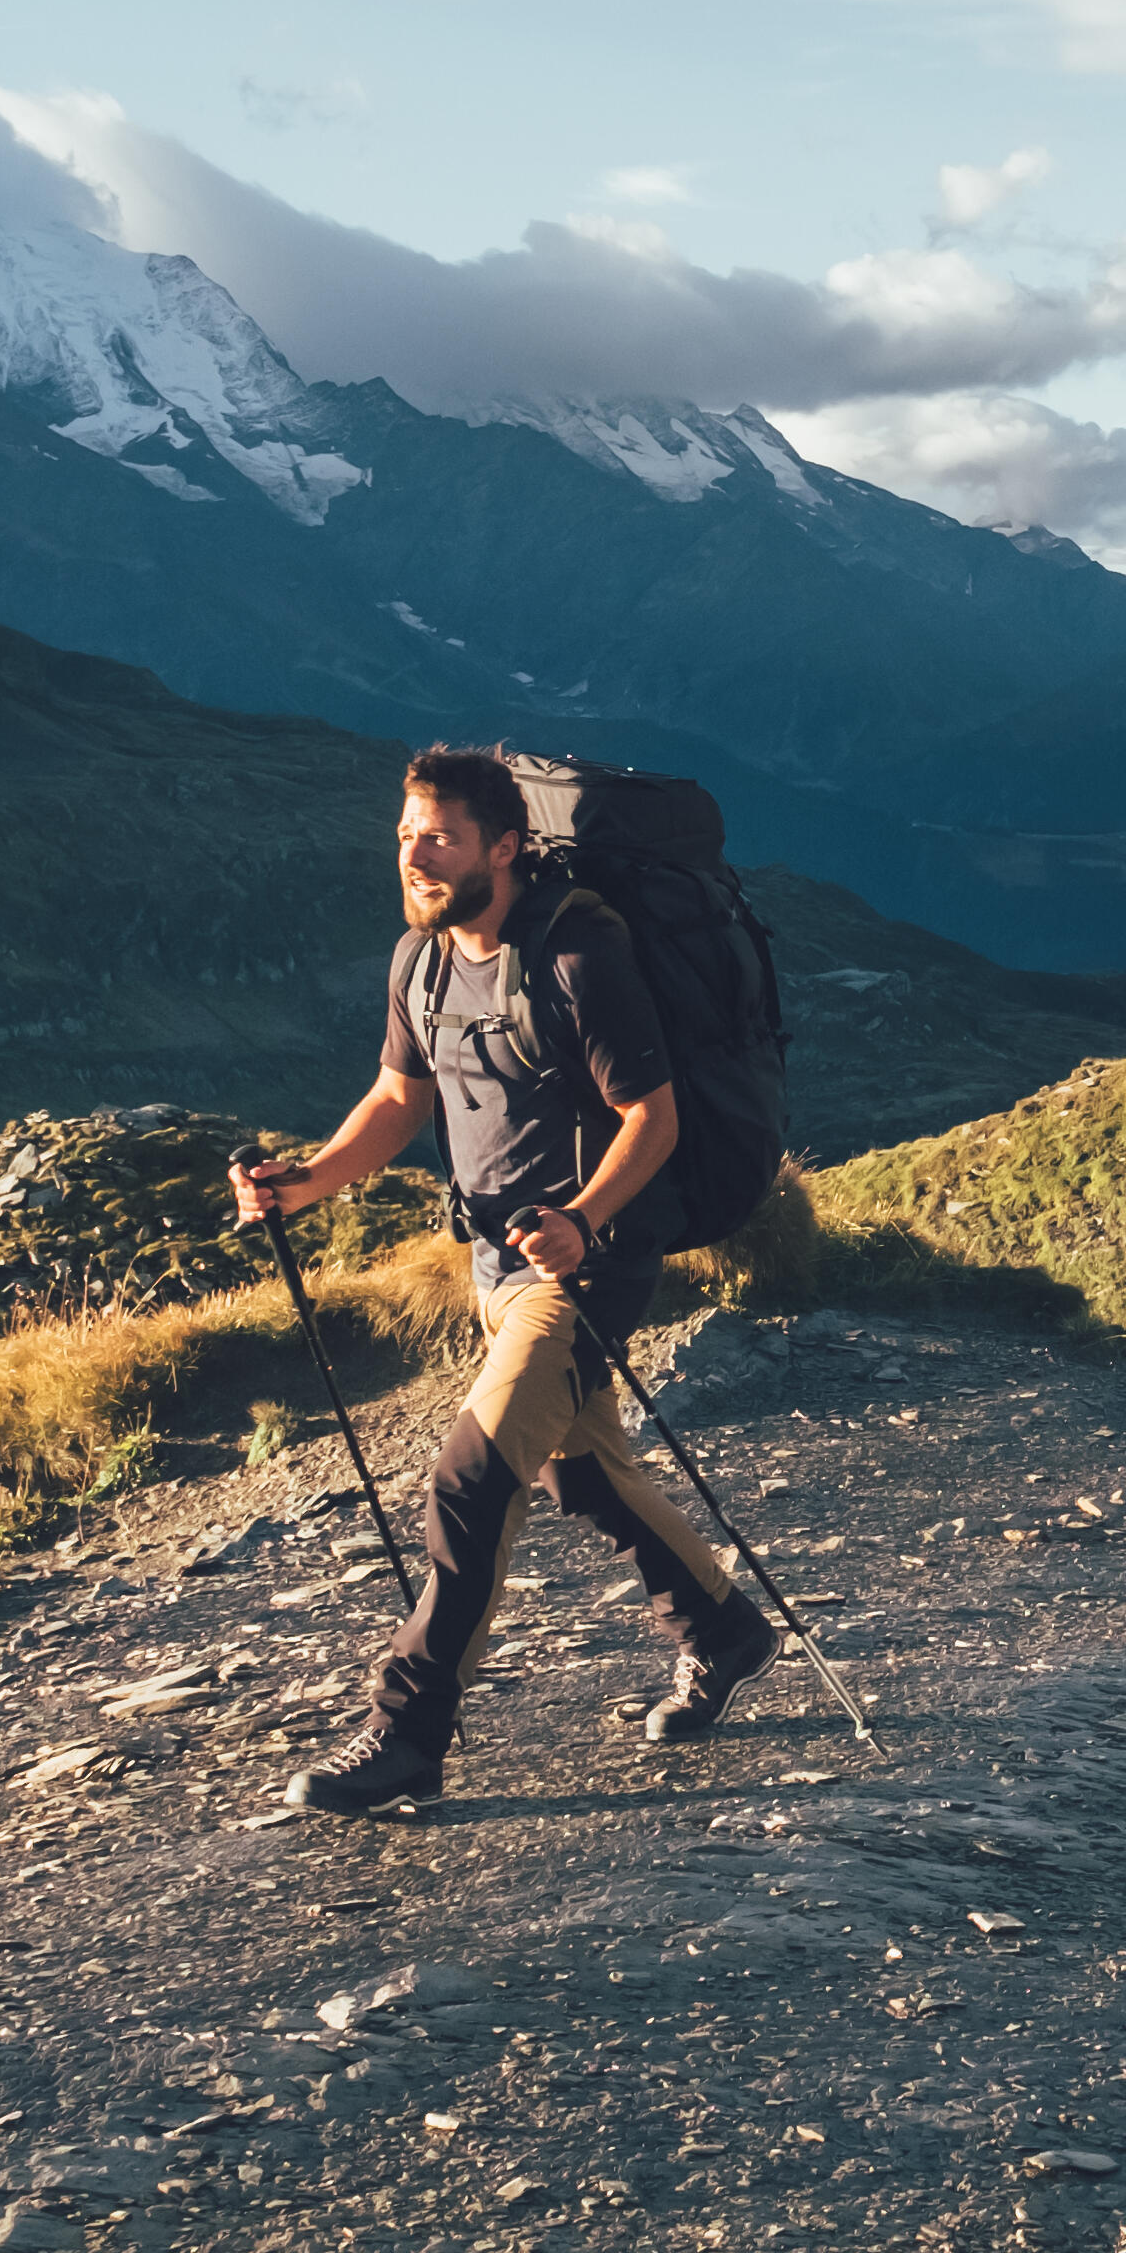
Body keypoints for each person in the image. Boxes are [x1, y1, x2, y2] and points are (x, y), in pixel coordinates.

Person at [231, 749, 781, 1816]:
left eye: (440, 838)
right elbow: (399, 1098)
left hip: (584, 1268)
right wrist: (304, 1185)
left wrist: (583, 1220)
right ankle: (723, 1630)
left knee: (473, 1476)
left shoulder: (578, 953)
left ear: (506, 847)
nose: (416, 856)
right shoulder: (423, 959)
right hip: (494, 1263)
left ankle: (408, 1732)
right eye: (407, 836)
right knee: (581, 1474)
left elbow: (653, 1119)